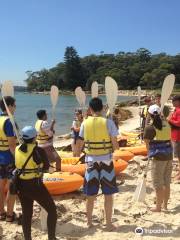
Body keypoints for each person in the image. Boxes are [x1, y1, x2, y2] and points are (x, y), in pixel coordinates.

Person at [77, 97, 119, 230]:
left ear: (90, 109)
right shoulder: (109, 122)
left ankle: (89, 222)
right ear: (102, 108)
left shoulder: (85, 123)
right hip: (106, 161)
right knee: (108, 194)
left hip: (90, 162)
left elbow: (79, 143)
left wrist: (78, 153)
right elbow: (115, 145)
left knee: (90, 194)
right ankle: (108, 223)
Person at [15, 126, 57, 240]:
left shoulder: (17, 148)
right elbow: (46, 167)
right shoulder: (38, 150)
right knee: (52, 211)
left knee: (27, 214)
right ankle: (51, 238)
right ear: (35, 137)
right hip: (35, 185)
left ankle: (27, 238)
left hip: (21, 185)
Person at [143, 104, 173, 212]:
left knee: (158, 184)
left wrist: (148, 154)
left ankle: (158, 207)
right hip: (169, 156)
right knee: (166, 182)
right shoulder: (167, 123)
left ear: (149, 114)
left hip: (158, 158)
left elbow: (147, 143)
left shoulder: (150, 127)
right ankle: (165, 206)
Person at [0, 96, 17, 222]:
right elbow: (12, 146)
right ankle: (10, 215)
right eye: (14, 105)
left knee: (0, 187)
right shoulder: (9, 122)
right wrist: (18, 160)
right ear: (9, 106)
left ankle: (1, 212)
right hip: (8, 158)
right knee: (12, 187)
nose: (15, 108)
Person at [167, 95, 180, 180]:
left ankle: (179, 175)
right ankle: (179, 172)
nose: (172, 103)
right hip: (174, 135)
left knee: (179, 155)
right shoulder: (176, 110)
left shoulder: (179, 111)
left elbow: (179, 123)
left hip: (178, 136)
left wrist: (169, 120)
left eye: (174, 101)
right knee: (178, 156)